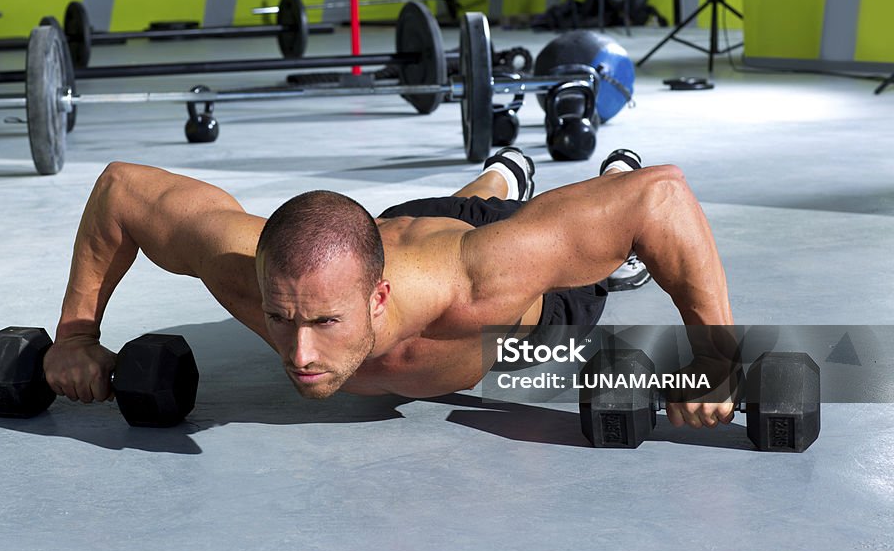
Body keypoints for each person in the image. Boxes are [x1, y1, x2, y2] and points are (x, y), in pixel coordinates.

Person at [44, 148, 735, 429]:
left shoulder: (483, 283)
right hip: (398, 228)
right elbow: (122, 191)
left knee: (593, 254)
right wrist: (77, 334)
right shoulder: (245, 268)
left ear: (378, 298)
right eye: (282, 318)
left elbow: (661, 200)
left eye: (323, 321)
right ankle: (498, 173)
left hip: (524, 308)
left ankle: (591, 173)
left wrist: (715, 366)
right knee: (448, 211)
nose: (300, 352)